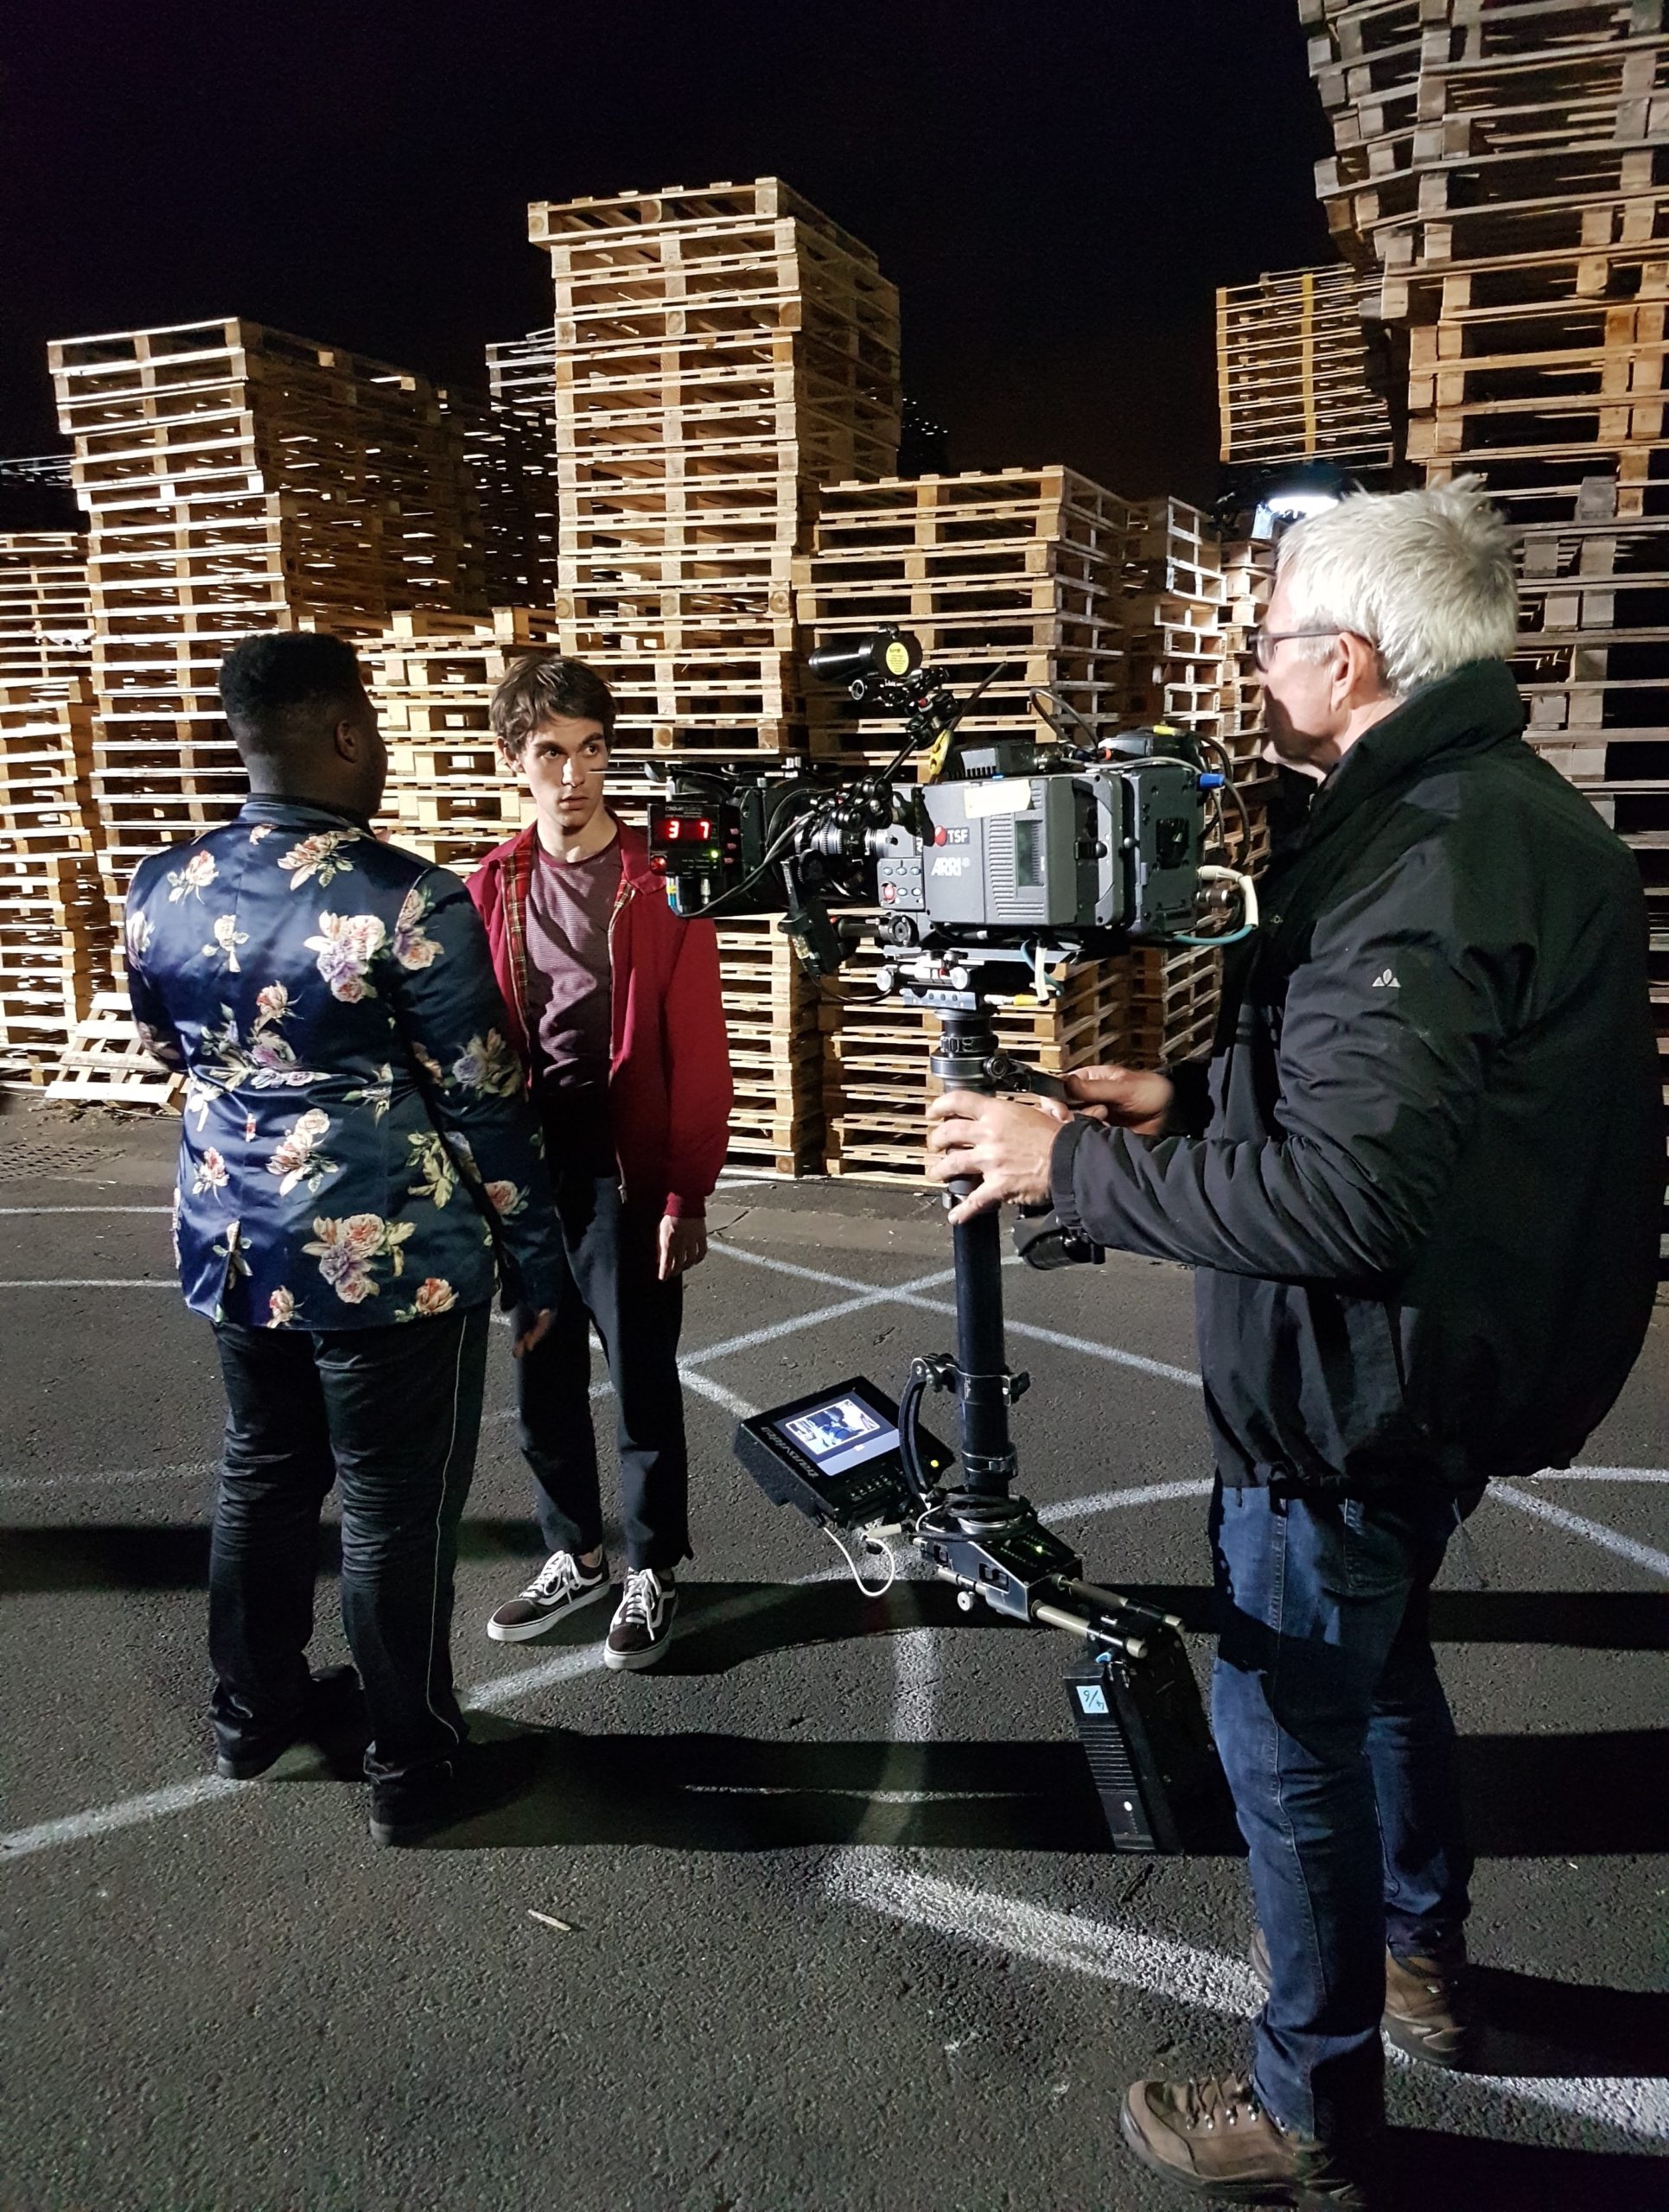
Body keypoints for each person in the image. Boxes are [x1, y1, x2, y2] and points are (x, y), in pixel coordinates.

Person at [922, 479, 1662, 2209]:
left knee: (1284, 1727)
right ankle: (1416, 1960)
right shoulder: (1490, 813)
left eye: (1268, 644)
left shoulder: (1420, 855)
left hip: (1354, 1389)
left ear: (1348, 658)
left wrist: (1062, 1164)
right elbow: (1408, 1101)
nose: (1253, 673)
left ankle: (1309, 2107)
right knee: (1377, 1671)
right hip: (1436, 1369)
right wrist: (1179, 1098)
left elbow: (1352, 1198)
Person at [125, 632, 567, 1847]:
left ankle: (250, 1713)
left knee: (262, 1472)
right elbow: (484, 1096)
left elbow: (165, 1045)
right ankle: (412, 1763)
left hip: (234, 1245)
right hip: (389, 1260)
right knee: (389, 1507)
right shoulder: (407, 899)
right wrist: (536, 1260)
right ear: (345, 733)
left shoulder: (163, 884)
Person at [467, 654, 732, 1669]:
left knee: (642, 1379)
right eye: (550, 753)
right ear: (514, 760)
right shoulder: (491, 885)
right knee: (540, 1377)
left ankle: (651, 1564)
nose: (573, 774)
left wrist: (685, 1190)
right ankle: (574, 1553)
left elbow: (697, 1048)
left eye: (591, 750)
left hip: (627, 1166)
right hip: (530, 1173)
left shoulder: (657, 885)